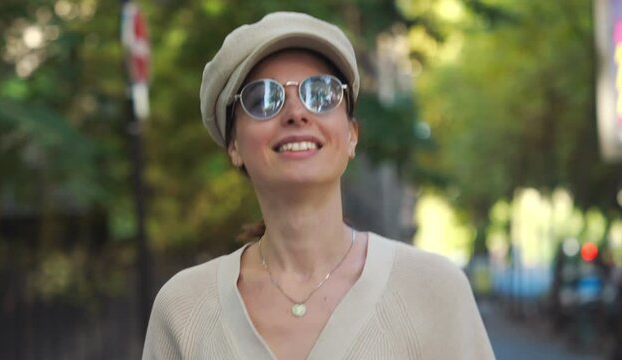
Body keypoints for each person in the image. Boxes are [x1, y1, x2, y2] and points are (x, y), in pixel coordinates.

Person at [142, 11, 495, 360]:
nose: (296, 112)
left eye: (321, 93)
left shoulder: (433, 290)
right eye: (263, 98)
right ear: (234, 145)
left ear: (352, 136)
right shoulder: (183, 310)